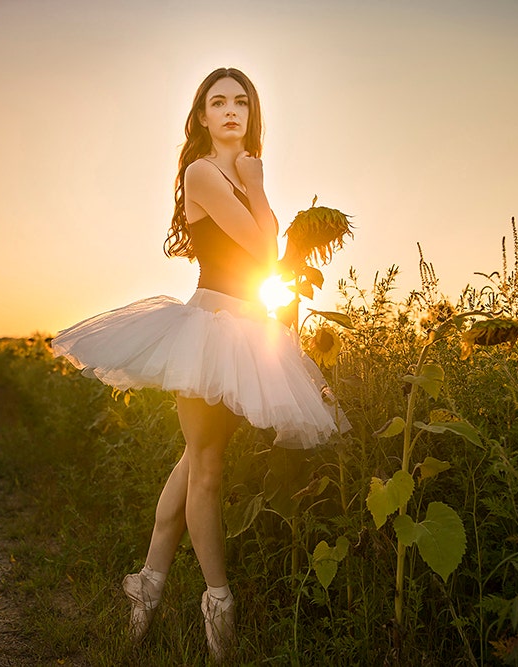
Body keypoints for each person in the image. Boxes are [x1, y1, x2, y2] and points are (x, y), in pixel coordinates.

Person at [51, 67, 346, 662]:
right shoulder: (205, 172)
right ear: (203, 117)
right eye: (219, 102)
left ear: (251, 114)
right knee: (207, 466)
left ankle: (146, 586)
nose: (231, 110)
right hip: (210, 328)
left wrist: (254, 183)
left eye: (242, 101)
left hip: (248, 331)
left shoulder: (238, 172)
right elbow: (264, 250)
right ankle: (219, 605)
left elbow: (262, 262)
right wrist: (257, 184)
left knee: (194, 460)